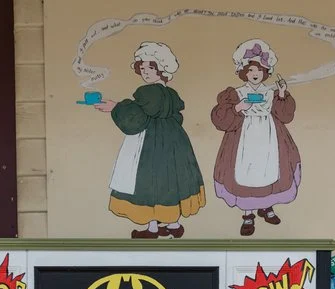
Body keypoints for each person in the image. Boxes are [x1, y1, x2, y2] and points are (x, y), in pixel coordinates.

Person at [94, 41, 206, 239]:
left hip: (151, 141)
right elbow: (176, 117)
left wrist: (116, 107)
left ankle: (153, 228)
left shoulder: (149, 92)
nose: (145, 72)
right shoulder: (171, 93)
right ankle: (173, 224)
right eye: (143, 68)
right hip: (174, 141)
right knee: (171, 179)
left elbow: (137, 119)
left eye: (151, 68)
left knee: (149, 179)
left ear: (161, 69)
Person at [211, 39, 302, 236]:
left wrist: (282, 93)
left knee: (270, 170)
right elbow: (220, 118)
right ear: (244, 72)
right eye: (251, 70)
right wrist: (238, 107)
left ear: (265, 72)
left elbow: (285, 116)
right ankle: (248, 214)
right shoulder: (235, 93)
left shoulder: (271, 93)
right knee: (246, 173)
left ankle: (267, 207)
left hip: (270, 137)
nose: (255, 74)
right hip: (244, 139)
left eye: (259, 70)